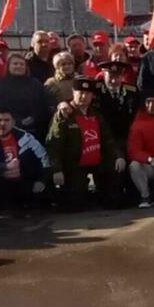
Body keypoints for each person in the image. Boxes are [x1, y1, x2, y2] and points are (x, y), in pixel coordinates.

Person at [47, 77, 127, 209]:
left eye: (87, 93)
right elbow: (54, 144)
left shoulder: (96, 114)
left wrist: (118, 156)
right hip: (74, 165)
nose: (84, 96)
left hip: (98, 162)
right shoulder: (64, 115)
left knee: (114, 199)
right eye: (80, 92)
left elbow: (108, 139)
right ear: (73, 92)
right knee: (75, 205)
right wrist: (57, 170)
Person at [0, 108, 49, 223]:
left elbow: (44, 159)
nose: (2, 124)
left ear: (13, 122)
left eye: (6, 120)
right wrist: (5, 168)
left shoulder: (26, 138)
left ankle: (26, 206)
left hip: (20, 180)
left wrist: (41, 180)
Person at [0, 53, 50, 142]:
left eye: (22, 64)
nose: (19, 66)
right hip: (9, 129)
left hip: (34, 129)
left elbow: (42, 104)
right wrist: (17, 121)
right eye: (15, 64)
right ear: (8, 67)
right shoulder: (0, 85)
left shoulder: (35, 84)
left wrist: (33, 118)